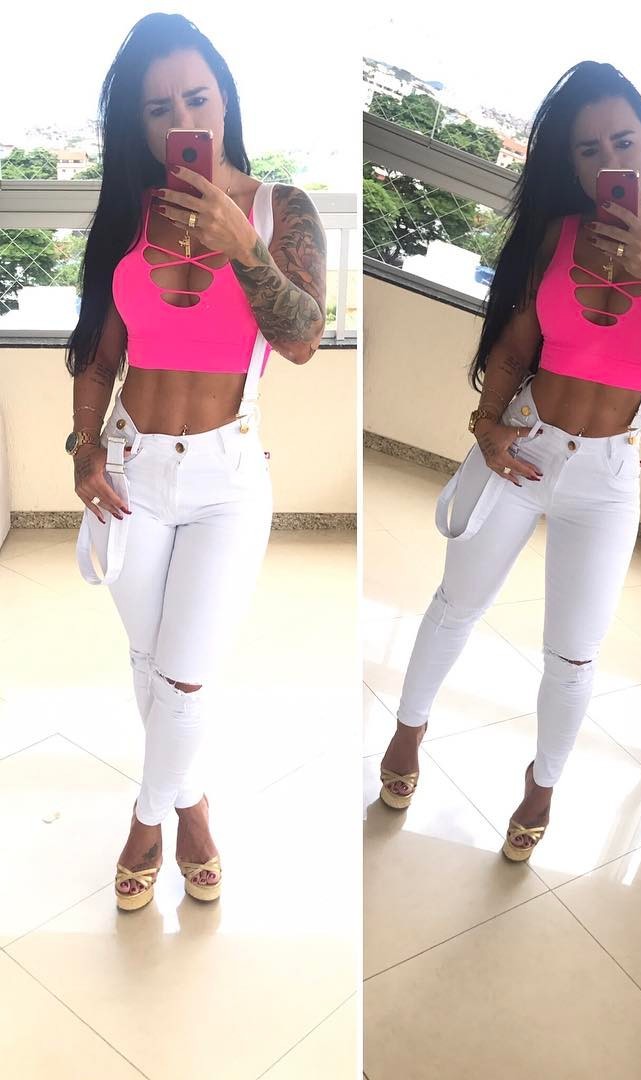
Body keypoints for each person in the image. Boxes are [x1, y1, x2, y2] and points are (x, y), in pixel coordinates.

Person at [378, 60, 641, 861]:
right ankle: (406, 733)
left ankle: (542, 786)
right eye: (588, 150)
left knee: (573, 652)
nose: (609, 161)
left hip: (607, 475)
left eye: (623, 141)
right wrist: (487, 426)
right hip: (524, 443)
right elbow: (513, 346)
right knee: (455, 604)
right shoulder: (558, 236)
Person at [65, 13, 326, 911]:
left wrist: (241, 242)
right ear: (138, 126)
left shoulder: (281, 210)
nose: (183, 118)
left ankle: (149, 821)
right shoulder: (127, 215)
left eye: (197, 96)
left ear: (225, 98)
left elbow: (303, 340)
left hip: (227, 479)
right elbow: (99, 354)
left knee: (184, 673)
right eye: (159, 108)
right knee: (150, 661)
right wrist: (83, 447)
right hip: (131, 471)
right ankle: (192, 801)